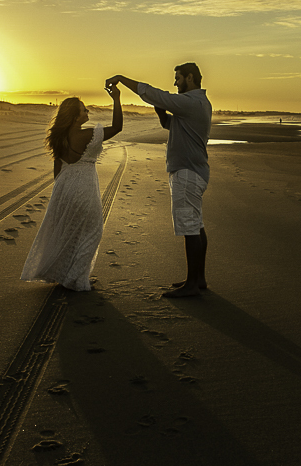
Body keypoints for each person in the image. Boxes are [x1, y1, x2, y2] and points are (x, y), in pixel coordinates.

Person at [105, 63, 211, 298]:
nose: (175, 83)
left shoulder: (192, 102)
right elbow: (171, 125)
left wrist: (122, 78)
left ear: (190, 78)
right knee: (197, 225)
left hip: (187, 172)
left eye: (178, 78)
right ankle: (198, 279)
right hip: (194, 171)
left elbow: (155, 93)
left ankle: (193, 284)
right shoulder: (200, 103)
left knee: (190, 228)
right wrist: (161, 111)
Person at [20, 86, 123, 291]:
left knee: (70, 232)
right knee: (93, 230)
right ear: (76, 117)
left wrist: (60, 193)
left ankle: (69, 273)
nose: (87, 113)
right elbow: (117, 127)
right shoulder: (87, 135)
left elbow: (57, 167)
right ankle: (76, 278)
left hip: (65, 186)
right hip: (84, 186)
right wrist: (117, 99)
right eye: (84, 110)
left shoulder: (59, 138)